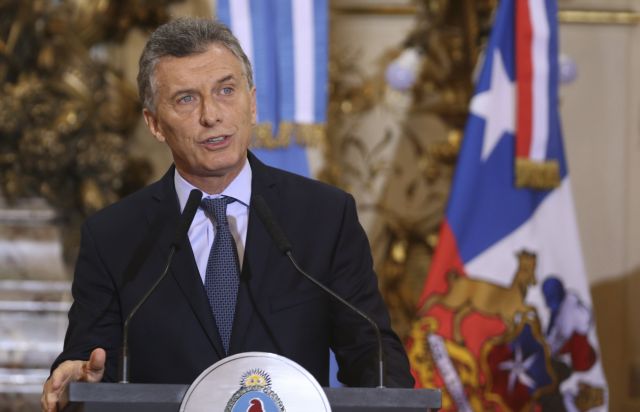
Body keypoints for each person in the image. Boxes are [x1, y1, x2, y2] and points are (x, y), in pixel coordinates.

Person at [41, 17, 414, 411]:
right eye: (186, 99)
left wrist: (394, 399)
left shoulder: (324, 216)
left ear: (252, 104)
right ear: (154, 124)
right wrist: (78, 374)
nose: (211, 115)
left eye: (226, 90)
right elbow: (89, 360)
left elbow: (371, 351)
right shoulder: (113, 236)